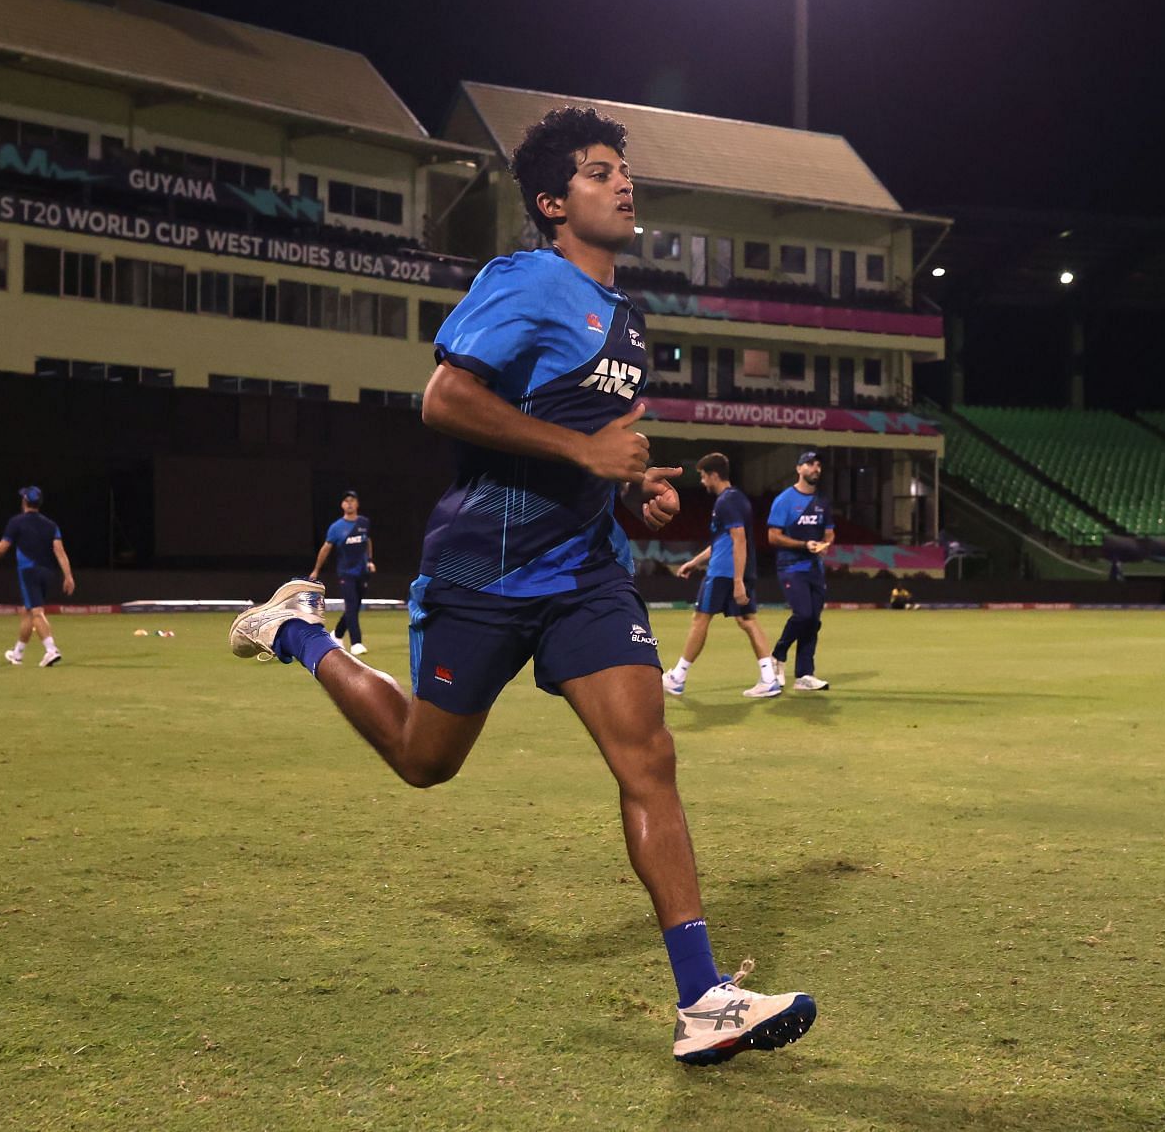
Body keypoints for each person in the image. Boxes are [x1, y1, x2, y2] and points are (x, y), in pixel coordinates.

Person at [224, 107, 814, 1065]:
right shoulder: (524, 279)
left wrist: (635, 499)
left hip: (585, 572)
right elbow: (444, 397)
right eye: (597, 172)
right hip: (481, 569)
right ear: (552, 201)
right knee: (426, 757)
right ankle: (298, 630)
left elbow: (602, 463)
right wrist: (588, 446)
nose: (623, 183)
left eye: (625, 169)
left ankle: (703, 998)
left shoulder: (630, 322)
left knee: (648, 757)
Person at [663, 453, 782, 699]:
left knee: (700, 619)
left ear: (714, 475)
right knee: (747, 620)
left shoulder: (726, 502)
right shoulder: (736, 499)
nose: (703, 482)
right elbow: (724, 541)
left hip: (723, 573)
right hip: (736, 570)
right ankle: (769, 679)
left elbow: (738, 540)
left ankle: (678, 677)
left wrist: (737, 581)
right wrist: (694, 563)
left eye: (704, 476)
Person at [766, 450, 835, 691]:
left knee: (813, 621)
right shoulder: (785, 500)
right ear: (798, 469)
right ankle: (778, 654)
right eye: (809, 464)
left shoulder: (822, 502)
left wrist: (826, 544)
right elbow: (773, 536)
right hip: (791, 566)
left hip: (815, 569)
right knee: (804, 614)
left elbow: (829, 531)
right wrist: (804, 545)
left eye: (817, 465)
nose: (815, 468)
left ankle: (805, 675)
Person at [0, 485, 73, 667]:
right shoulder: (51, 525)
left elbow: (2, 547)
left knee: (37, 612)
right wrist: (68, 576)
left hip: (28, 571)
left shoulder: (17, 522)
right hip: (48, 573)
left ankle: (51, 650)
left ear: (24, 501)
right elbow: (60, 552)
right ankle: (17, 653)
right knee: (27, 611)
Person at [308, 490, 374, 654]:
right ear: (342, 505)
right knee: (351, 605)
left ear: (357, 504)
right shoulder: (336, 528)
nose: (349, 503)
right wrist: (316, 570)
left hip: (362, 572)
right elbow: (325, 549)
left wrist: (370, 561)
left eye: (352, 500)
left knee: (354, 606)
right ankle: (356, 642)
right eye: (346, 501)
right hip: (346, 573)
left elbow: (368, 542)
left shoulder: (364, 522)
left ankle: (337, 635)